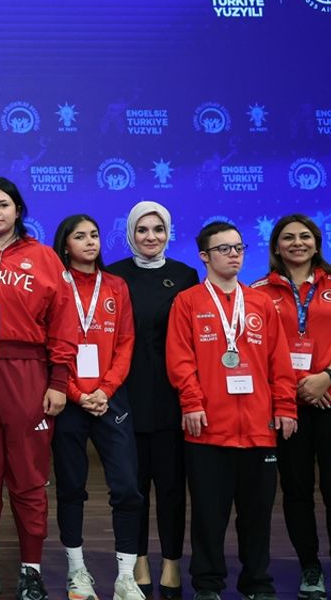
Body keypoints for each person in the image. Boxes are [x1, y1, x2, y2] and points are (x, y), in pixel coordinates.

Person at [0, 177, 76, 600]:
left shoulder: (43, 258)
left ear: (18, 210)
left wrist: (58, 380)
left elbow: (64, 322)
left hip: (27, 372)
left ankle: (31, 569)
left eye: (3, 204)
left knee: (28, 478)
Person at [166, 221, 297, 600]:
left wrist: (286, 406)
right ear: (204, 257)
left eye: (238, 247)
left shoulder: (260, 302)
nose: (234, 254)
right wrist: (192, 402)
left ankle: (257, 583)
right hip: (208, 428)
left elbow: (279, 361)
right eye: (223, 249)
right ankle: (207, 585)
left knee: (257, 516)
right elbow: (180, 359)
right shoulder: (187, 301)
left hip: (259, 428)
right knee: (209, 515)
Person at [251, 214, 331, 600]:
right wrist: (302, 387)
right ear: (276, 246)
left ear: (317, 243)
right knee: (297, 492)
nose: (297, 243)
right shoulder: (259, 291)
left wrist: (326, 378)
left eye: (305, 236)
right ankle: (310, 569)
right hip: (289, 406)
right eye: (288, 237)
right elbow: (261, 350)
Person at [105, 202, 199, 597]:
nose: (150, 237)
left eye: (158, 229)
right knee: (133, 487)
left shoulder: (186, 275)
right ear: (130, 233)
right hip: (126, 396)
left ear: (168, 233)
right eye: (142, 229)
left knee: (172, 488)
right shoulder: (113, 275)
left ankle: (172, 563)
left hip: (172, 397)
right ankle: (139, 561)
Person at [49, 214, 145, 600]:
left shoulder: (117, 286)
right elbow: (49, 343)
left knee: (127, 487)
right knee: (71, 488)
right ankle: (77, 572)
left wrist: (105, 389)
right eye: (80, 236)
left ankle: (126, 577)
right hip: (69, 399)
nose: (90, 242)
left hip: (110, 398)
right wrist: (75, 393)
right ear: (65, 244)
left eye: (94, 235)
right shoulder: (55, 284)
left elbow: (126, 342)